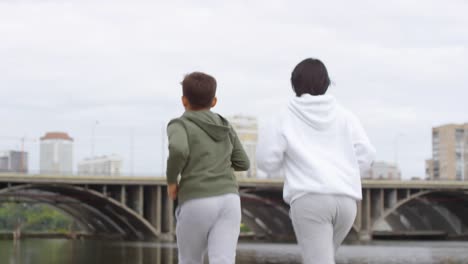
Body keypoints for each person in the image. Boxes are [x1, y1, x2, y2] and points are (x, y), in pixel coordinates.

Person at [256, 58, 376, 264]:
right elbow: (367, 155)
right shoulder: (346, 116)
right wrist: (345, 173)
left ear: (294, 84)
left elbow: (266, 161)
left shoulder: (282, 117)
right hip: (346, 202)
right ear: (327, 83)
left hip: (310, 199)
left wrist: (286, 166)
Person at [166, 71, 250, 264]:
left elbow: (178, 149)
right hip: (230, 200)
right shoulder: (225, 126)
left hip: (197, 199)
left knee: (189, 260)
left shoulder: (180, 125)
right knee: (223, 260)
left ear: (183, 100)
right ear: (214, 101)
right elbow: (243, 163)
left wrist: (172, 181)